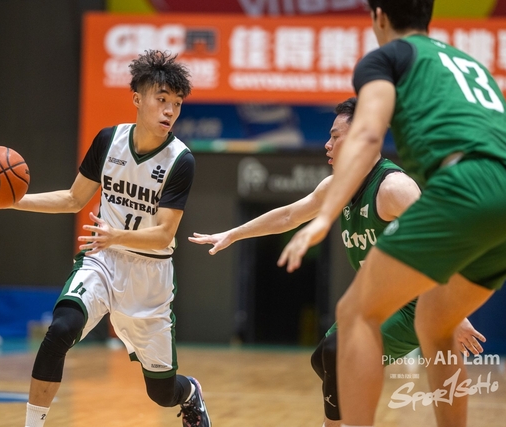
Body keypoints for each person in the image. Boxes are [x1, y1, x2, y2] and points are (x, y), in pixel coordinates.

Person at [277, 1, 506, 426]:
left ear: (379, 16)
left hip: (465, 183)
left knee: (354, 315)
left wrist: (324, 218)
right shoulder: (467, 62)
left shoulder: (386, 58)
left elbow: (368, 136)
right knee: (437, 324)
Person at [190, 98, 485, 427]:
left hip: (414, 306)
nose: (327, 145)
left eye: (335, 136)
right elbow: (289, 215)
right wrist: (233, 234)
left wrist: (454, 311)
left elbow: (440, 242)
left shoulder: (394, 188)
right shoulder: (337, 186)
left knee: (337, 354)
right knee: (323, 359)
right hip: (375, 300)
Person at [0, 50, 211, 427]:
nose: (169, 111)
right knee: (61, 329)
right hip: (102, 260)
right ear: (137, 98)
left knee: (162, 393)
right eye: (162, 99)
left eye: (177, 104)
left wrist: (117, 235)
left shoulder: (181, 160)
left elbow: (164, 234)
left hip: (149, 277)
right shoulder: (109, 141)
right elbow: (73, 199)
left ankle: (190, 393)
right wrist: (11, 201)